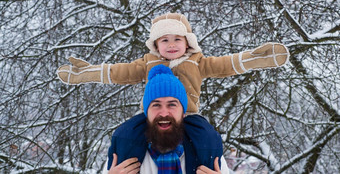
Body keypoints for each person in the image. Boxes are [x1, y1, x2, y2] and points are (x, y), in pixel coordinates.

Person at [56, 13, 290, 171]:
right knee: (126, 133)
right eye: (164, 40)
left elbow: (225, 65)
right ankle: (130, 166)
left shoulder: (198, 61)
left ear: (187, 42)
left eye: (177, 39)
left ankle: (201, 168)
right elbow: (119, 72)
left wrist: (255, 59)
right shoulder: (147, 62)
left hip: (190, 115)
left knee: (208, 137)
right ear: (155, 45)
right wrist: (87, 73)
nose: (171, 44)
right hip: (149, 117)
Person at [103, 64, 230, 174]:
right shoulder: (124, 150)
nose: (164, 113)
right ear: (146, 112)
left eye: (172, 105)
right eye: (156, 105)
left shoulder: (206, 148)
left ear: (183, 113)